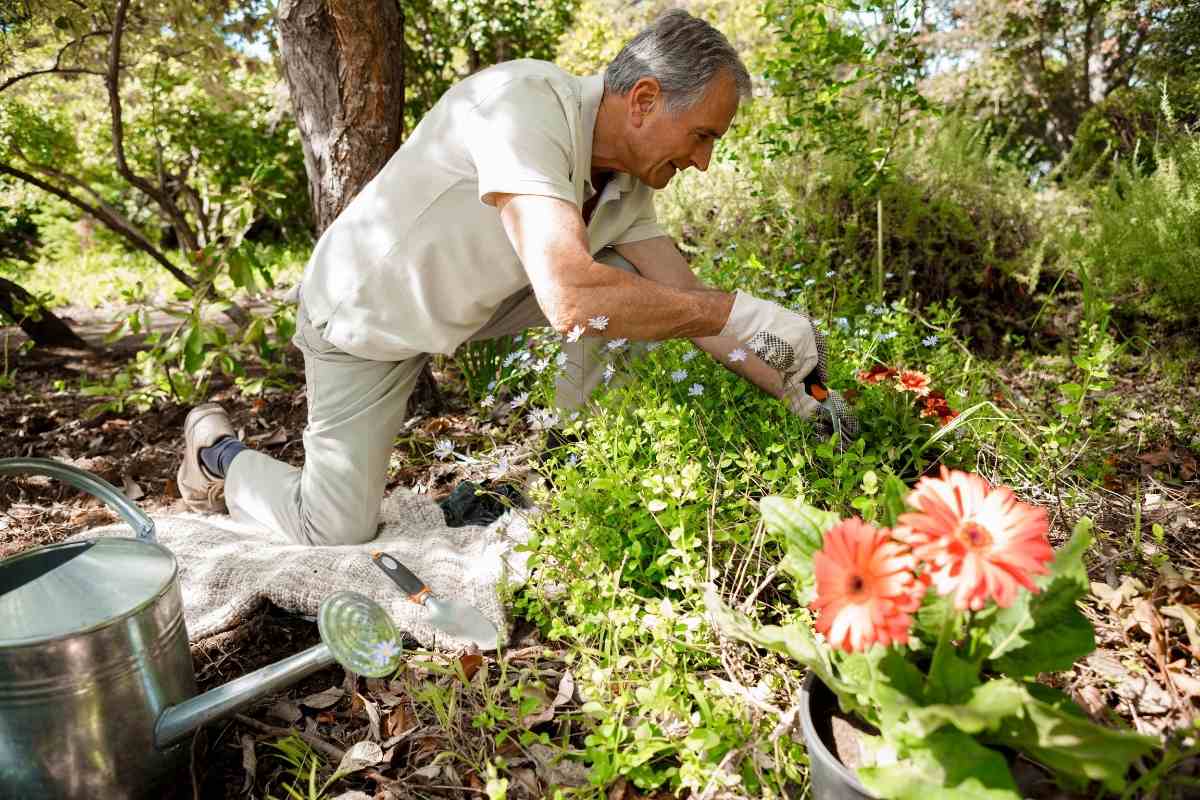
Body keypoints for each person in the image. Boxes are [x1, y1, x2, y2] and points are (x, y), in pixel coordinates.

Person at [177, 9, 855, 546]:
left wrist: (800, 390)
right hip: (366, 317)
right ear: (645, 100)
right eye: (703, 136)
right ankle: (217, 455)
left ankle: (574, 467)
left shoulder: (628, 188)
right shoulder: (524, 105)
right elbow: (571, 297)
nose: (703, 161)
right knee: (333, 529)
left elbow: (693, 304)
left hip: (472, 305)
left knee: (640, 286)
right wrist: (736, 312)